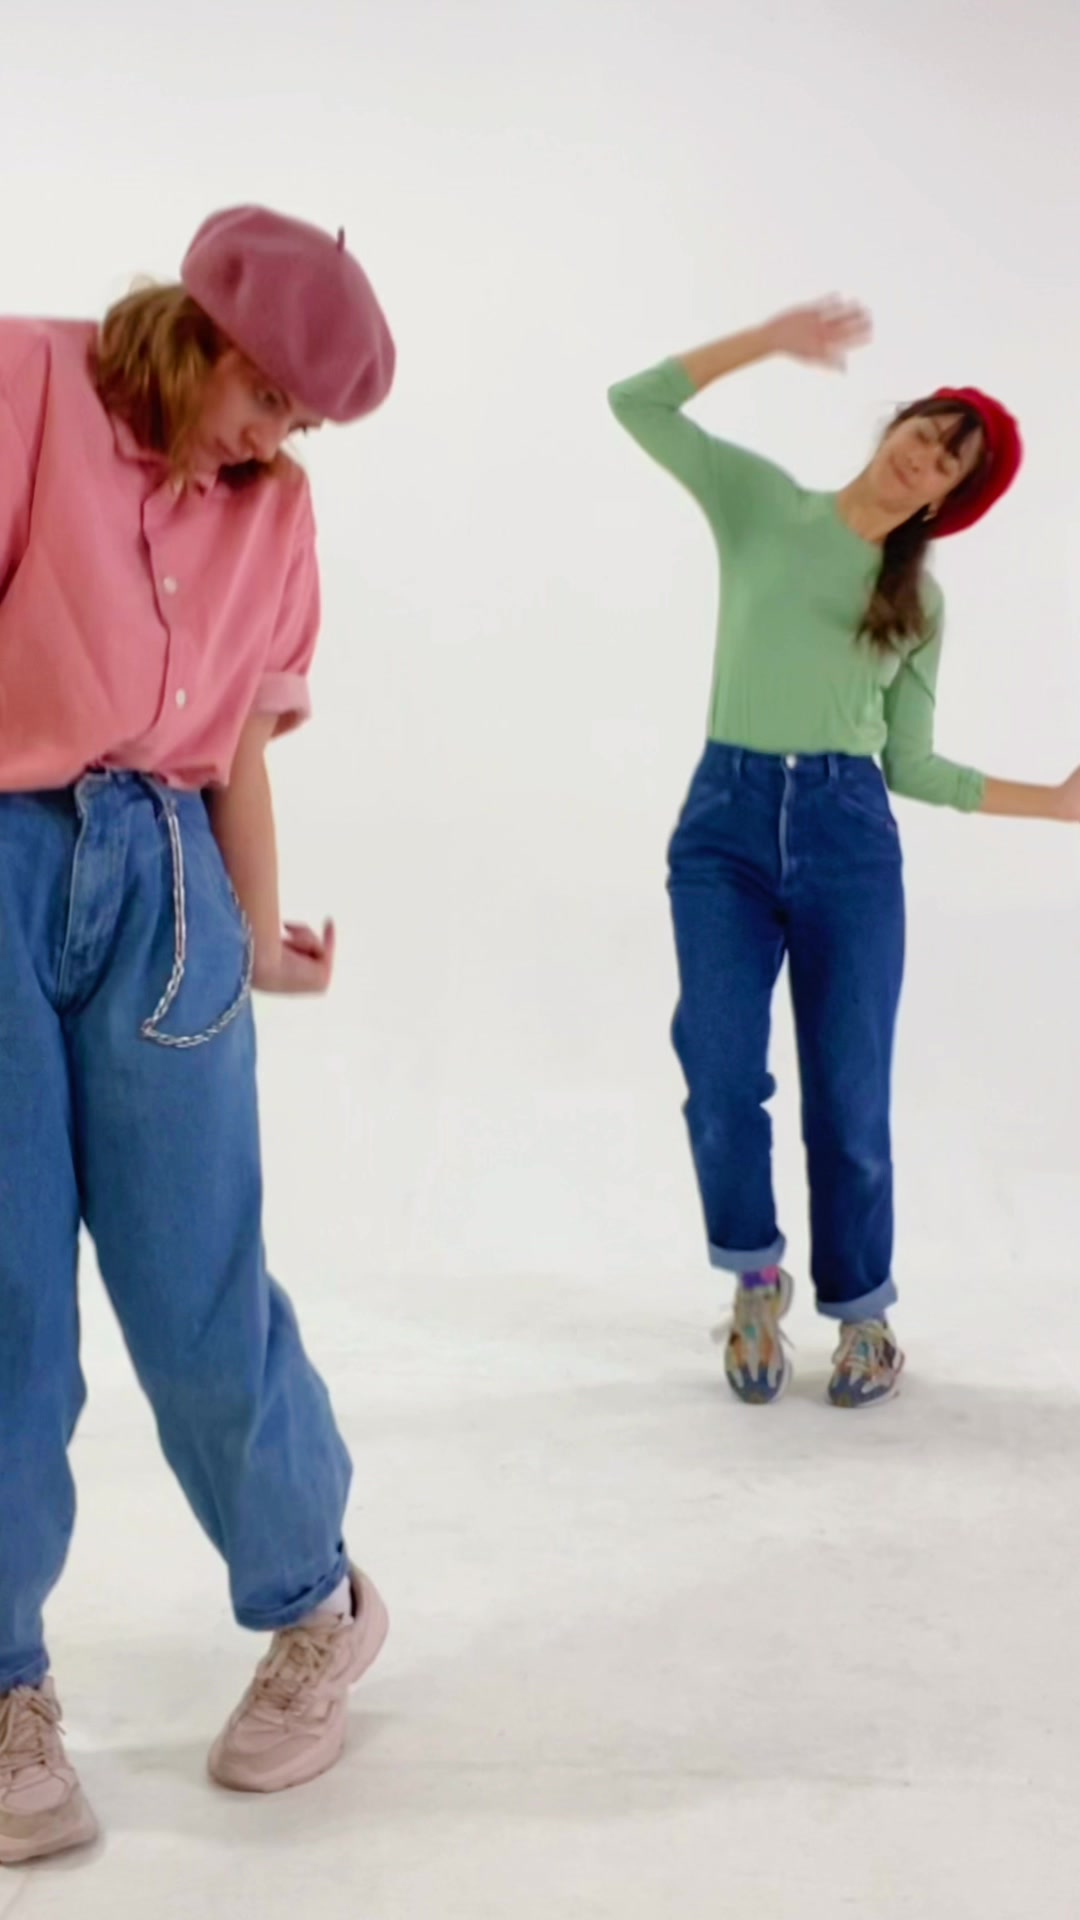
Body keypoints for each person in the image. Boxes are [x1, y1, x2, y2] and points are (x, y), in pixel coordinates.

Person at [0, 206, 395, 1864]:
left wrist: (259, 932)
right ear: (204, 331)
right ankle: (5, 1686)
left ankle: (316, 1604)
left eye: (302, 421)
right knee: (7, 1295)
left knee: (199, 1286)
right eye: (270, 396)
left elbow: (235, 745)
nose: (276, 437)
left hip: (171, 887)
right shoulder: (27, 384)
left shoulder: (276, 511)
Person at [609, 299, 1080, 1414]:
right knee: (721, 1073)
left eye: (951, 461)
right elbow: (638, 403)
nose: (928, 453)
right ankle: (754, 1280)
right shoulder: (763, 505)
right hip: (723, 827)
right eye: (929, 429)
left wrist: (1056, 807)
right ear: (896, 424)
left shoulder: (919, 601)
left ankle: (864, 1313)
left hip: (849, 837)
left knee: (849, 1095)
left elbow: (911, 765)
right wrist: (769, 339)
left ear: (948, 499)